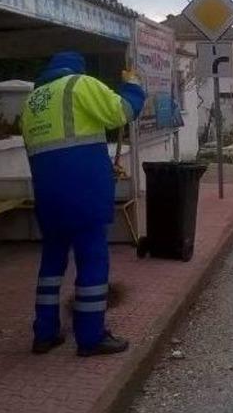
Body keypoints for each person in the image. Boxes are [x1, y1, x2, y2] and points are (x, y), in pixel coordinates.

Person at [20, 51, 145, 357]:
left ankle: (45, 334)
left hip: (48, 197)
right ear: (78, 68)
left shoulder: (32, 102)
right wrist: (133, 86)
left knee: (51, 265)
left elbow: (59, 148)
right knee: (92, 262)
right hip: (84, 193)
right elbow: (123, 111)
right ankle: (91, 338)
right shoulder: (80, 84)